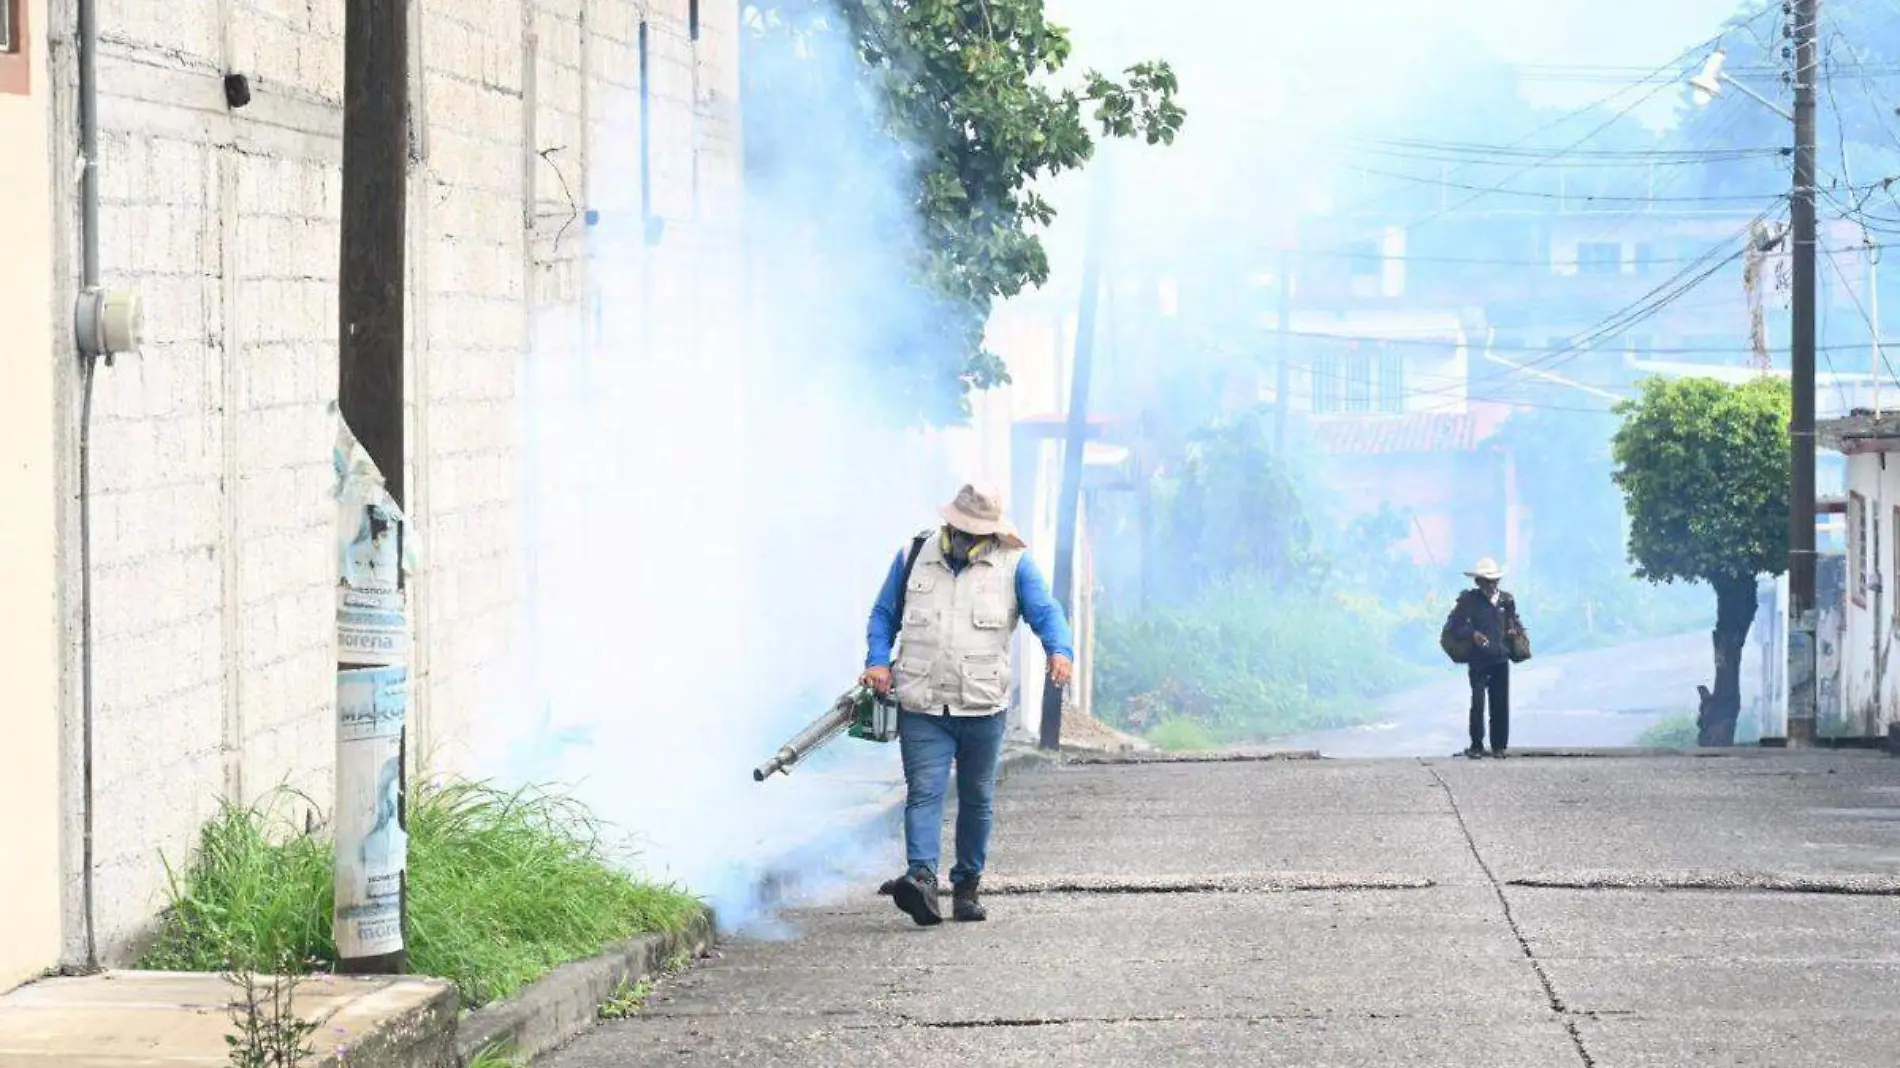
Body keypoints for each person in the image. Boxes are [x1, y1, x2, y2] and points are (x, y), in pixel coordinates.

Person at [861, 483, 1075, 926]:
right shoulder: (913, 554)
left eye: (974, 531)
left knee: (977, 797)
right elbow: (883, 615)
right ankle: (921, 879)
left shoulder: (1015, 565)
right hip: (923, 703)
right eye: (959, 528)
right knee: (924, 792)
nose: (964, 537)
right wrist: (878, 660)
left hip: (983, 706)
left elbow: (1046, 612)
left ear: (991, 533)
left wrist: (1060, 650)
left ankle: (966, 886)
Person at [1443, 557, 1527, 759]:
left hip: (1500, 658)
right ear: (1478, 582)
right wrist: (1472, 634)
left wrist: (1513, 633)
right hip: (1478, 660)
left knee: (1500, 703)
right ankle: (1477, 745)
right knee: (1478, 702)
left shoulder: (1507, 601)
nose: (1491, 585)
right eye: (1486, 581)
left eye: (1493, 581)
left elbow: (1512, 624)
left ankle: (1499, 747)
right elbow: (1456, 626)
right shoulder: (1468, 601)